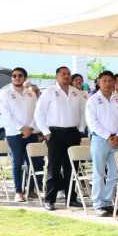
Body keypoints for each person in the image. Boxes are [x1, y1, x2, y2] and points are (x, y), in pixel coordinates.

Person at [35, 66, 85, 210]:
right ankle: (49, 199)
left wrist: (81, 130)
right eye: (63, 74)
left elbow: (83, 112)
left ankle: (71, 198)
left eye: (68, 74)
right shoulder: (49, 92)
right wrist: (45, 131)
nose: (66, 76)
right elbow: (39, 113)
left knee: (72, 167)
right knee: (54, 168)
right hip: (55, 134)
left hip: (73, 133)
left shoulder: (77, 92)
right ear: (57, 76)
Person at [86, 71, 118, 216]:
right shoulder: (92, 100)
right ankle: (98, 204)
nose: (108, 83)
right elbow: (92, 122)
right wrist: (108, 136)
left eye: (110, 80)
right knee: (99, 173)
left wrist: (117, 135)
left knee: (115, 173)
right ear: (98, 82)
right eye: (104, 80)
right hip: (100, 140)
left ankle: (108, 202)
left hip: (117, 140)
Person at [0, 67, 41, 202]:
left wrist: (30, 128)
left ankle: (31, 190)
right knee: (17, 161)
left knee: (35, 162)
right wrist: (21, 128)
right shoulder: (5, 93)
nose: (17, 78)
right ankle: (18, 191)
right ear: (12, 78)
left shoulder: (31, 94)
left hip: (31, 131)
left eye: (20, 75)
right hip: (14, 133)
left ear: (24, 78)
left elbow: (36, 113)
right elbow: (6, 114)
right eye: (14, 76)